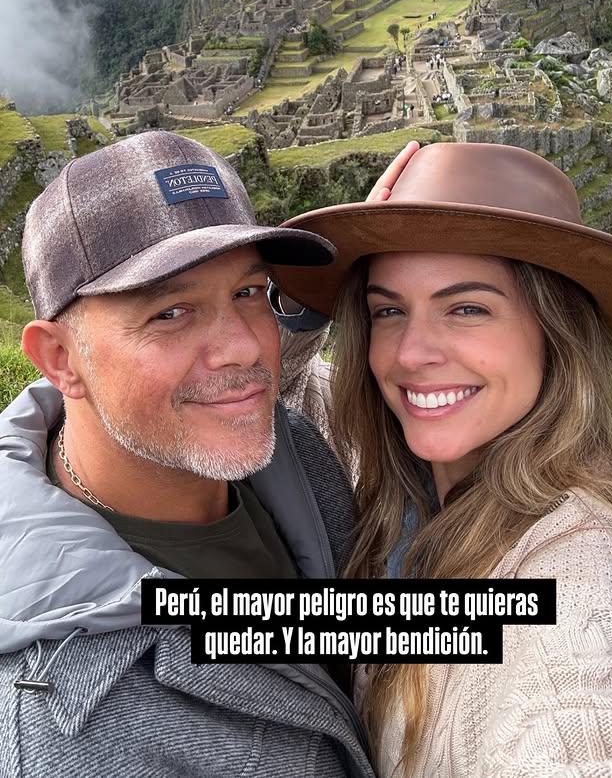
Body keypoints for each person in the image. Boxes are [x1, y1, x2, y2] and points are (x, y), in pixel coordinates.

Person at [0, 130, 374, 778]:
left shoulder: (291, 456)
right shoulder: (70, 736)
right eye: (171, 312)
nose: (244, 349)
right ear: (62, 359)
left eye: (249, 293)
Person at [275, 141, 612, 778]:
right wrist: (308, 299)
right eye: (388, 310)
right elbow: (226, 410)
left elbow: (584, 717)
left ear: (555, 334)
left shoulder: (581, 582)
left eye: (467, 308)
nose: (413, 353)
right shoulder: (399, 479)